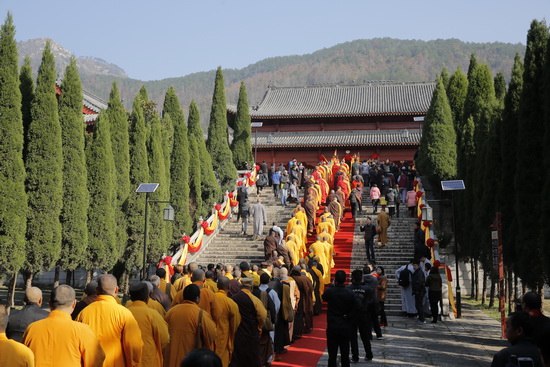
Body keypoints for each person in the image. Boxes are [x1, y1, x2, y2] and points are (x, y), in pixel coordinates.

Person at [23, 285, 105, 366]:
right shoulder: (83, 331)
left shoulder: (32, 329)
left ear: (50, 303)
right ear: (74, 304)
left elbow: (23, 359)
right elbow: (96, 361)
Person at [76, 274, 143, 367]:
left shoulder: (84, 313)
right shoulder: (124, 314)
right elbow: (133, 345)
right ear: (116, 289)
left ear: (97, 290)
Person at [165, 284, 217, 367]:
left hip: (171, 357)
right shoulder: (201, 314)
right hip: (190, 358)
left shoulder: (171, 312)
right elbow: (211, 335)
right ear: (197, 298)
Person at [127, 283, 169, 367]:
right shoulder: (153, 315)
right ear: (147, 297)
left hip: (128, 359)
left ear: (131, 298)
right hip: (149, 360)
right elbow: (165, 338)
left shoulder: (124, 312)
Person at [322, 270, 357, 367]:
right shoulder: (350, 292)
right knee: (345, 354)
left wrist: (332, 285)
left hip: (333, 325)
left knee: (332, 354)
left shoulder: (330, 291)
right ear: (345, 279)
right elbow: (358, 306)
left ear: (335, 279)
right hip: (345, 325)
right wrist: (349, 315)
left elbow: (323, 297)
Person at [230, 277, 267, 367]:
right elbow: (262, 315)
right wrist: (259, 325)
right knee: (252, 356)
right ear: (251, 288)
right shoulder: (254, 299)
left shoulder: (233, 298)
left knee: (238, 356)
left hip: (238, 331)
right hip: (252, 331)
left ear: (240, 287)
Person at [213, 277, 241, 367]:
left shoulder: (210, 298)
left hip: (210, 335)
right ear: (229, 286)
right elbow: (236, 322)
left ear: (217, 286)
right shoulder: (231, 303)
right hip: (223, 335)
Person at [347, 269, 373, 363]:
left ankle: (355, 357)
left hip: (352, 315)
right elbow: (372, 302)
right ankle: (369, 354)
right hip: (364, 315)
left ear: (352, 278)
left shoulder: (348, 289)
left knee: (353, 338)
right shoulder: (368, 289)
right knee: (365, 336)